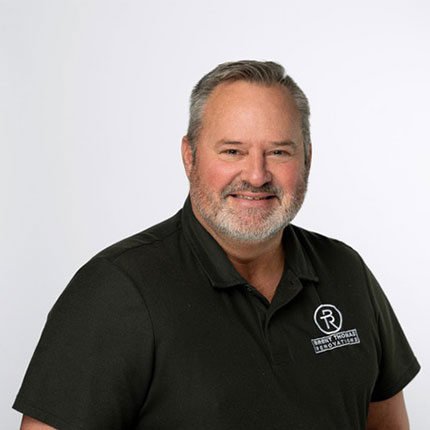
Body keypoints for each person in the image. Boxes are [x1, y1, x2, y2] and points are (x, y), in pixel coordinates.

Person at [14, 60, 420, 430]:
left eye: (278, 151)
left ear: (308, 159)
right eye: (232, 151)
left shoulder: (345, 272)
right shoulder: (116, 290)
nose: (257, 175)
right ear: (189, 157)